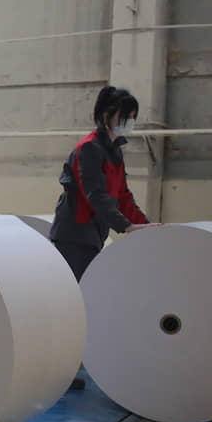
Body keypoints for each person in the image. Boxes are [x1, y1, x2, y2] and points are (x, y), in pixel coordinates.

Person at [49, 85, 160, 389]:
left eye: (133, 116)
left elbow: (122, 195)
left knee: (85, 302)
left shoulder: (114, 151)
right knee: (74, 304)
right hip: (74, 234)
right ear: (107, 114)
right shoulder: (89, 148)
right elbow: (95, 195)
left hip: (93, 234)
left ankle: (71, 365)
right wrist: (125, 226)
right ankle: (60, 372)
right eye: (125, 116)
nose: (130, 122)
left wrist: (146, 226)